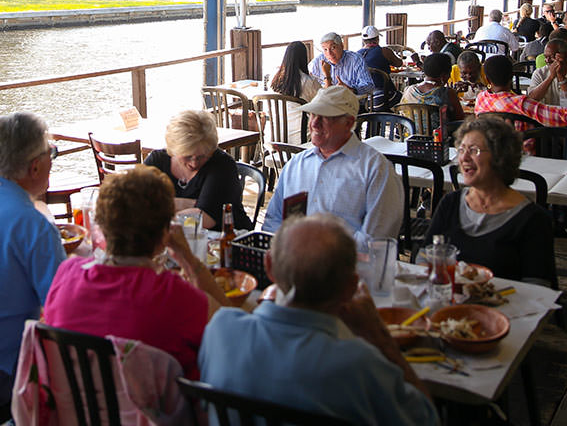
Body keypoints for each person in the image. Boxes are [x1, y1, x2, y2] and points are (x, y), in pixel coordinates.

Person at [200, 214, 439, 426]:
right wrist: (380, 337)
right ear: (350, 288)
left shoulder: (220, 330)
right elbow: (427, 419)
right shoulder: (359, 364)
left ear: (269, 266)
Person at [43, 165, 228, 378]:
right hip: (159, 409)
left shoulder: (67, 274)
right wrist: (187, 258)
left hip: (77, 408)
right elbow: (230, 325)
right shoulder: (175, 295)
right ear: (164, 235)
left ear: (101, 228)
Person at [262, 86, 403, 251]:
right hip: (294, 264)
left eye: (325, 117)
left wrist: (322, 253)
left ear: (348, 123)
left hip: (346, 269)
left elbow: (376, 240)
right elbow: (273, 220)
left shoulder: (375, 169)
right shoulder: (297, 164)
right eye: (313, 114)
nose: (314, 123)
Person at [424, 117, 554, 285]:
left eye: (474, 150)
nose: (464, 158)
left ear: (500, 156)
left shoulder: (533, 220)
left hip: (507, 308)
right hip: (447, 304)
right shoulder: (450, 203)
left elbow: (538, 289)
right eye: (461, 149)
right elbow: (424, 256)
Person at [0, 113, 66, 412]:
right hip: (11, 373)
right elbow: (62, 307)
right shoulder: (33, 225)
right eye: (51, 152)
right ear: (35, 166)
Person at [145, 110, 251, 230]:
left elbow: (205, 219)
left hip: (225, 239)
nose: (194, 163)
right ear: (174, 150)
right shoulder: (157, 161)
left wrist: (160, 210)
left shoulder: (222, 165)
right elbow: (135, 202)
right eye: (187, 156)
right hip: (175, 237)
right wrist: (191, 204)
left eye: (201, 156)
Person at [271, 40, 321, 143]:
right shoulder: (309, 81)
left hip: (274, 136)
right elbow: (324, 102)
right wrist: (327, 76)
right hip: (300, 137)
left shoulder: (273, 78)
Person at [400, 53, 463, 126]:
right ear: (444, 75)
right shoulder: (447, 93)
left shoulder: (409, 90)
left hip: (409, 136)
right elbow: (460, 120)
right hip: (438, 137)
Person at [528, 39, 567, 105]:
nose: (547, 60)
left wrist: (561, 77)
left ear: (565, 56)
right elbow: (531, 99)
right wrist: (551, 77)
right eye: (545, 57)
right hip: (546, 114)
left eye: (551, 57)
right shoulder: (539, 73)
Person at [308, 32, 374, 94]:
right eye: (325, 49)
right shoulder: (318, 61)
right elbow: (309, 82)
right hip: (326, 103)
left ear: (342, 46)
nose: (329, 53)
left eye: (333, 48)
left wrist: (350, 89)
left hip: (351, 103)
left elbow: (369, 86)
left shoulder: (355, 59)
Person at [357, 25, 403, 107]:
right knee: (403, 96)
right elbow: (399, 63)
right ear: (377, 38)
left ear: (363, 40)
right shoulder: (384, 51)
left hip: (363, 100)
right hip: (382, 98)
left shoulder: (356, 55)